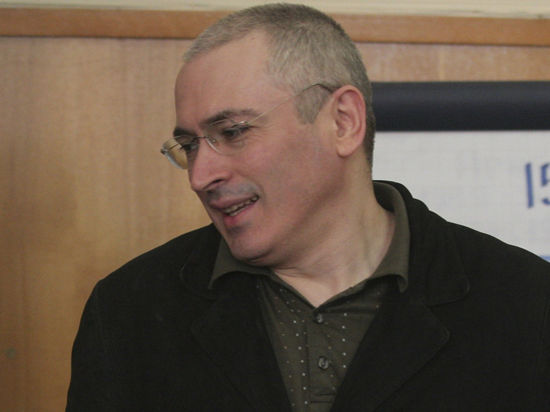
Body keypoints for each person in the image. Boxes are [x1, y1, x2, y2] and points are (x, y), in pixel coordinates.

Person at [66, 3, 550, 411]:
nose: (199, 176)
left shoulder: (526, 302)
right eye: (190, 145)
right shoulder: (129, 311)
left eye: (232, 132)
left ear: (342, 121)